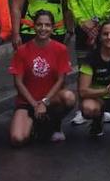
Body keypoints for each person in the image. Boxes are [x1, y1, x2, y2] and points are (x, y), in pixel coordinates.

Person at [8, 10, 76, 146]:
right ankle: (35, 125)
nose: (43, 29)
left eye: (47, 25)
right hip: (27, 102)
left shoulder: (61, 49)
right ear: (34, 26)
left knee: (69, 97)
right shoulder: (22, 50)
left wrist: (44, 102)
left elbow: (61, 80)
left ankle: (54, 124)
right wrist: (35, 104)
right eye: (39, 25)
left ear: (53, 27)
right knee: (17, 139)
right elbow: (18, 82)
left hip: (50, 101)